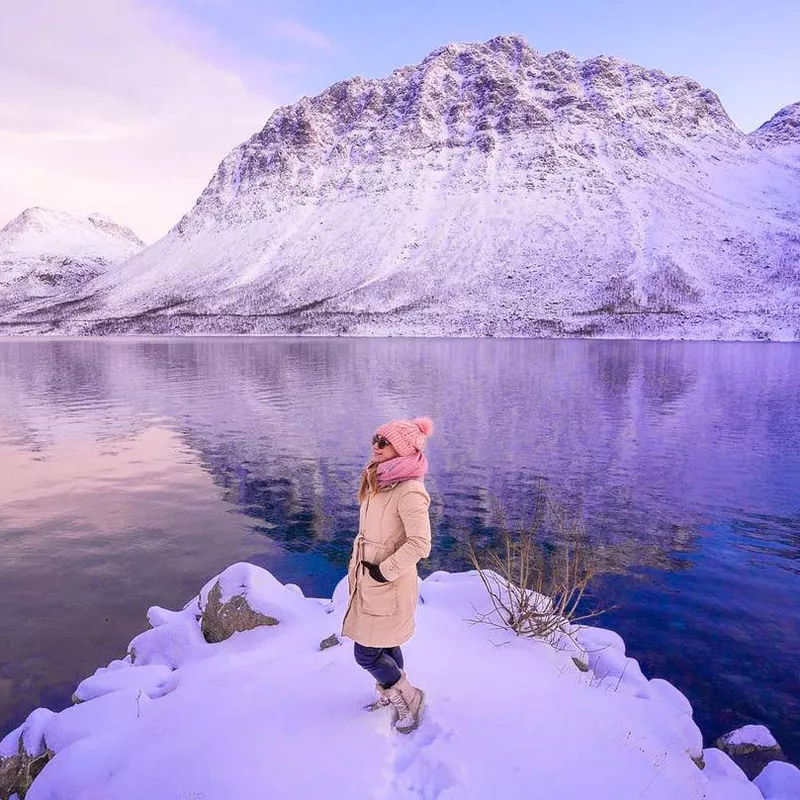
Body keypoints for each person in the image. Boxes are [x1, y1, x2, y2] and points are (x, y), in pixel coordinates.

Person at [341, 416, 434, 734]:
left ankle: (408, 696)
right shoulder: (379, 479)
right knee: (387, 643)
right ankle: (390, 693)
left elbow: (420, 544)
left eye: (384, 442)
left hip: (387, 582)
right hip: (370, 578)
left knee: (365, 652)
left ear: (403, 450)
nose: (375, 446)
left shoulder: (409, 490)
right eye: (375, 438)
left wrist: (383, 571)